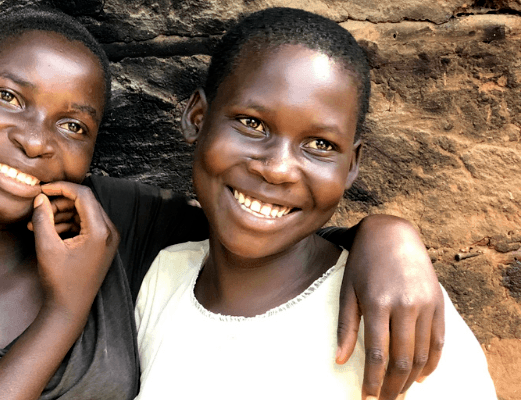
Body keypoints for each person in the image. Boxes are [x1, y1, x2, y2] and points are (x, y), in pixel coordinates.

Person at [0, 7, 443, 400]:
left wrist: (388, 236)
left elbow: (262, 227)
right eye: (7, 97)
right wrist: (64, 314)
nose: (34, 139)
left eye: (74, 125)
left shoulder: (121, 227)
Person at [133, 8, 496, 399]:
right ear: (197, 117)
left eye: (320, 145)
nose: (277, 169)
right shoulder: (163, 279)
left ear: (351, 164)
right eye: (252, 124)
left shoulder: (396, 310)